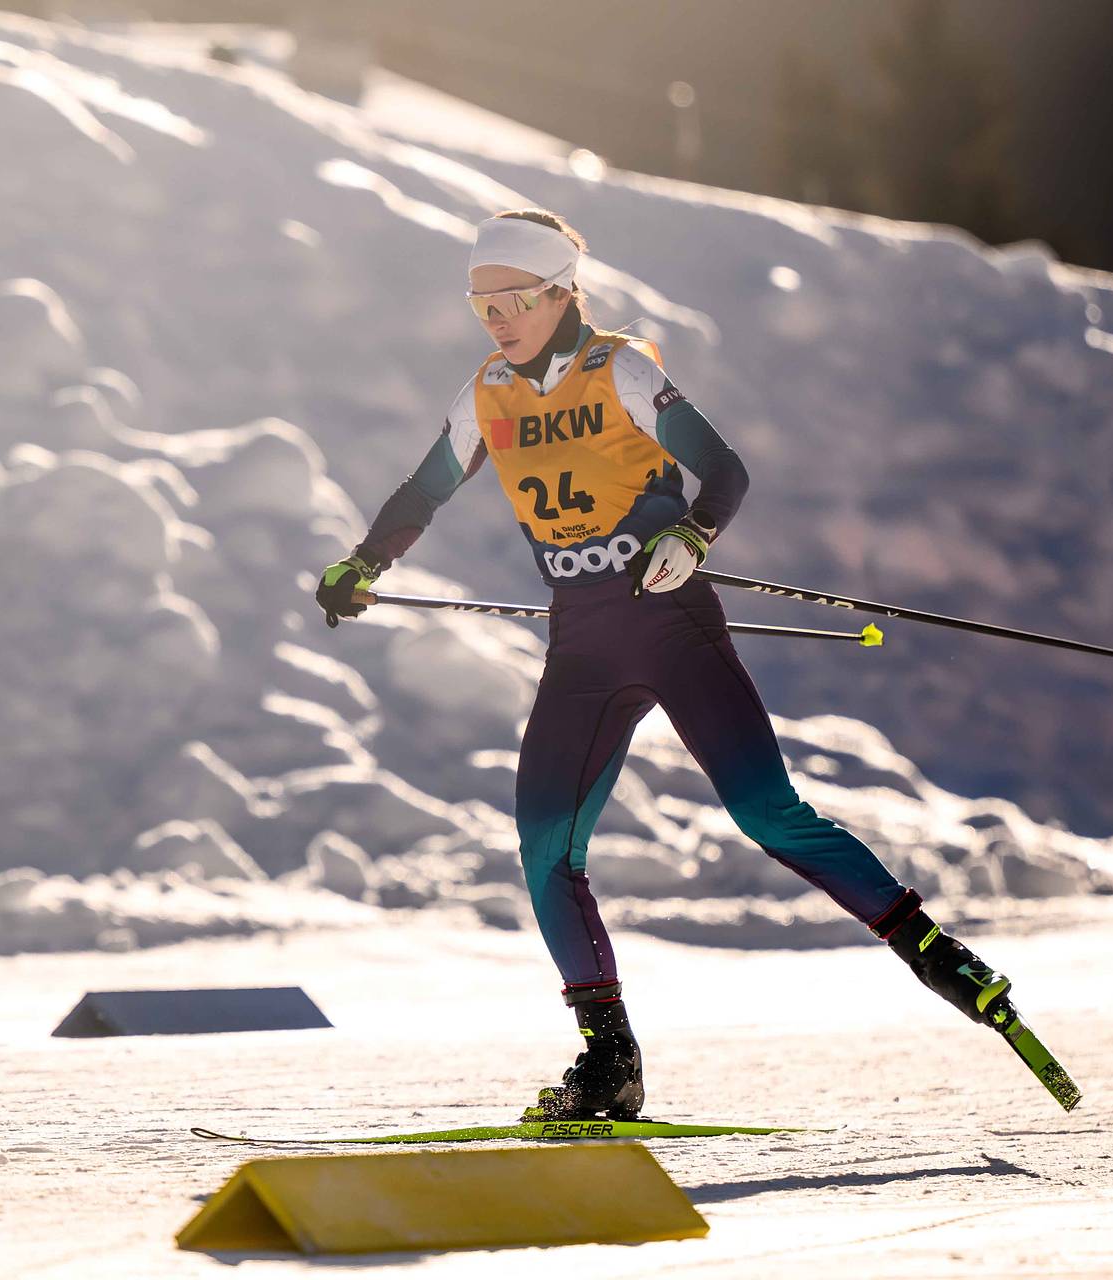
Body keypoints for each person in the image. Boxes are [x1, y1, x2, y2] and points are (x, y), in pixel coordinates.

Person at [316, 209, 1014, 1120]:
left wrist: (691, 532)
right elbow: (425, 490)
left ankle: (939, 956)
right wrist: (367, 561)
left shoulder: (623, 370)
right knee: (543, 849)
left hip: (671, 623)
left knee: (769, 814)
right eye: (480, 304)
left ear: (562, 292)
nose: (496, 319)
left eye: (513, 300)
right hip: (582, 645)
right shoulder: (484, 391)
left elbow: (727, 471)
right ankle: (610, 1059)